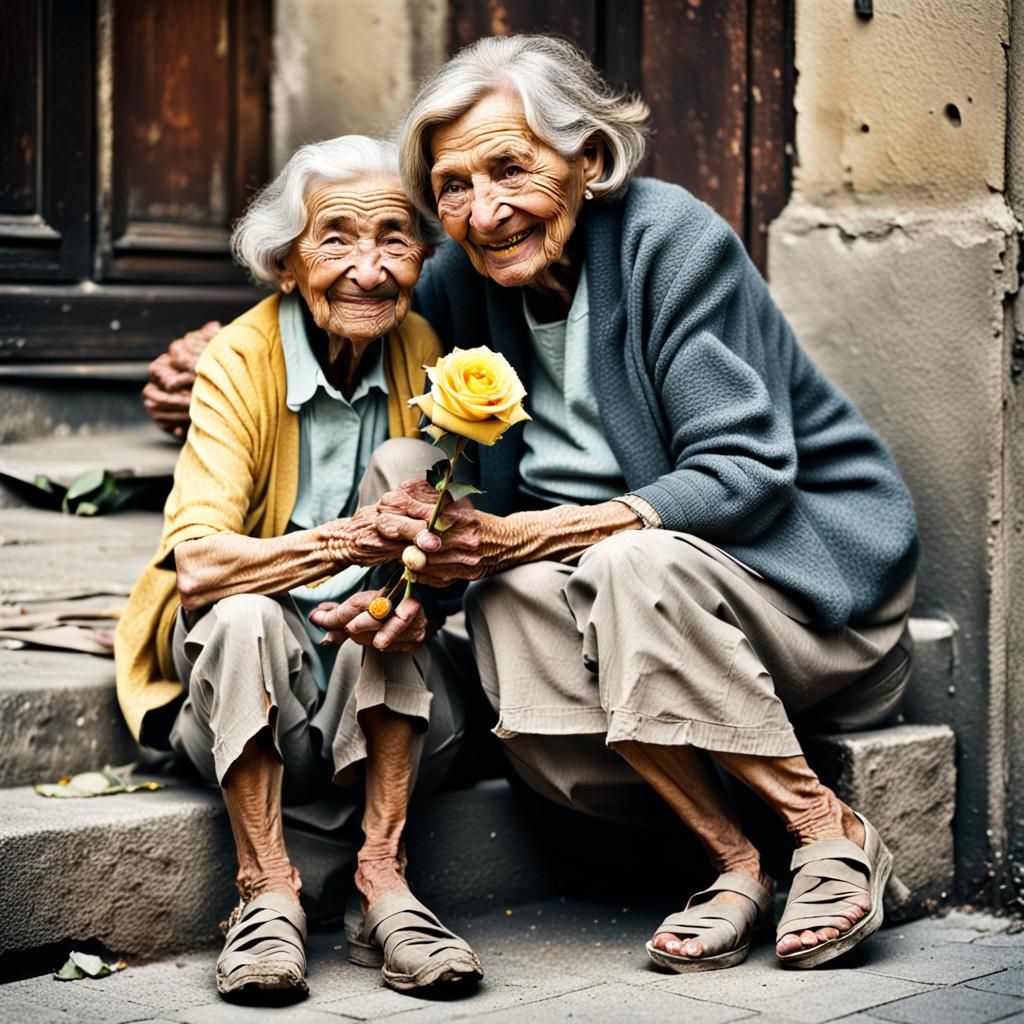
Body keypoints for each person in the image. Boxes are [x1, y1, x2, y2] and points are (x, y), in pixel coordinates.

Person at [383, 34, 919, 973]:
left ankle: (827, 833)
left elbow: (743, 471)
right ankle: (736, 863)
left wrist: (532, 534)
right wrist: (219, 358)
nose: (484, 210)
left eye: (511, 168)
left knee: (624, 557)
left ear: (588, 160)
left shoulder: (670, 240)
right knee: (506, 599)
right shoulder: (461, 279)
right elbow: (342, 302)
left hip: (805, 598)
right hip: (631, 615)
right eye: (453, 185)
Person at [115, 135, 483, 1003]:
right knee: (242, 610)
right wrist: (346, 544)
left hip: (379, 692)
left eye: (395, 239)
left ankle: (382, 879)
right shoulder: (241, 358)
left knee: (399, 545)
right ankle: (265, 891)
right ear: (287, 265)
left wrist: (404, 578)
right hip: (248, 686)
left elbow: (427, 538)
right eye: (338, 239)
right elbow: (199, 564)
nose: (370, 268)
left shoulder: (424, 345)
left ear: (423, 258)